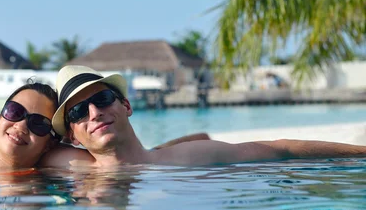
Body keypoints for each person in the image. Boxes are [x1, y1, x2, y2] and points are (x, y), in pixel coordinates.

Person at [44, 65, 366, 167]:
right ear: (72, 134)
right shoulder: (66, 166)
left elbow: (279, 149)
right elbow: (5, 153)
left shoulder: (185, 157)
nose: (94, 112)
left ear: (126, 106)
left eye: (101, 98)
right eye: (77, 111)